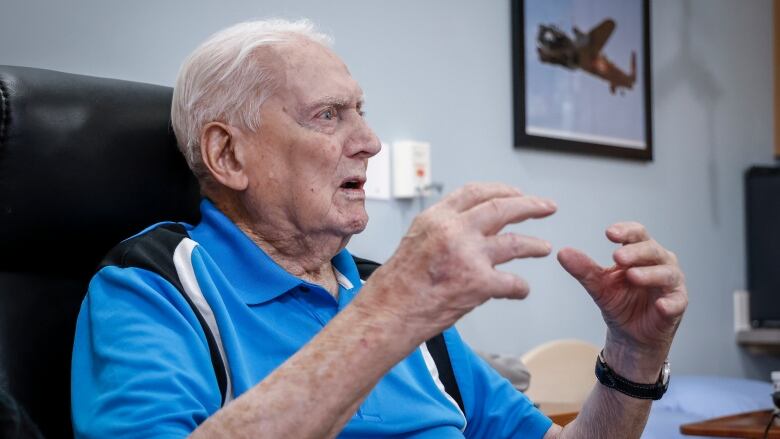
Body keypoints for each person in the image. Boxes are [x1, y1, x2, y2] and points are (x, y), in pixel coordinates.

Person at [71, 19, 688, 439]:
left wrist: (635, 354)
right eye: (328, 115)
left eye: (360, 112)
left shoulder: (387, 298)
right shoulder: (153, 286)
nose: (369, 142)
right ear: (229, 156)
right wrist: (391, 313)